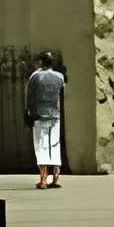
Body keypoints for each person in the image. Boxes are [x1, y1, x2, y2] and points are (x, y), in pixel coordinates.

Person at [26, 52, 66, 189]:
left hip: (40, 115)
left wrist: (29, 112)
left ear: (41, 63)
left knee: (41, 145)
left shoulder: (36, 76)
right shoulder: (59, 77)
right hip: (55, 115)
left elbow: (30, 96)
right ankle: (55, 177)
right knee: (54, 144)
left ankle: (43, 179)